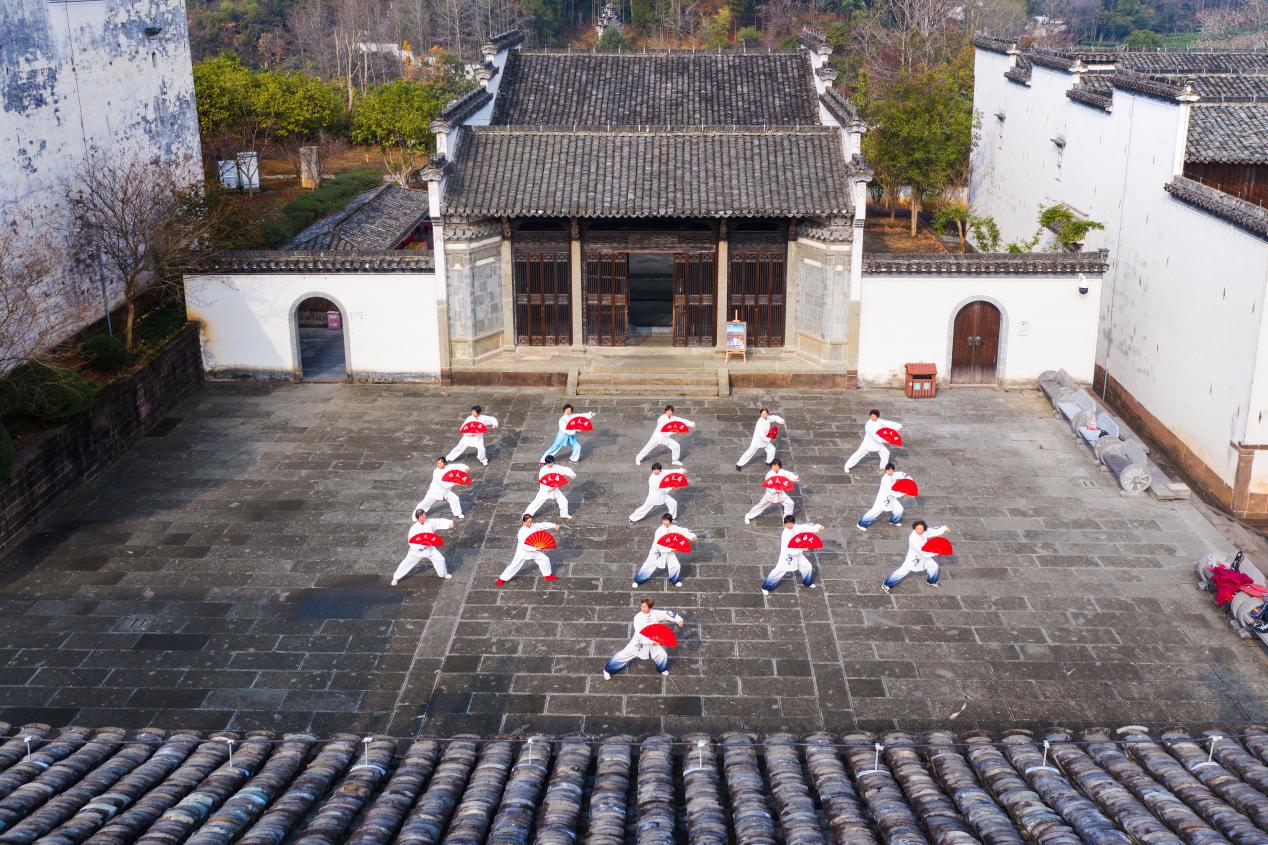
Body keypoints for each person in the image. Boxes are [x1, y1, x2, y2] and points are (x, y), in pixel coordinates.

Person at [603, 596, 684, 679]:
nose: (642, 608)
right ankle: (607, 670)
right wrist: (651, 642)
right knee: (623, 655)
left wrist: (678, 619)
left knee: (662, 655)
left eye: (645, 606)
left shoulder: (655, 613)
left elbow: (667, 614)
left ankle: (661, 668)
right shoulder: (638, 617)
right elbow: (639, 633)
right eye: (642, 606)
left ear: (650, 607)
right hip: (639, 642)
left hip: (653, 640)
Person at [882, 520, 950, 593]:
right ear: (914, 528)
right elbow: (921, 551)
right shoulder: (913, 538)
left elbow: (932, 531)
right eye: (918, 529)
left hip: (924, 557)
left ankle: (932, 581)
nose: (920, 530)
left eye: (921, 529)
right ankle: (886, 584)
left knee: (934, 566)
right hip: (914, 558)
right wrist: (934, 553)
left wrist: (944, 528)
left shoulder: (924, 532)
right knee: (902, 572)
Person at [391, 508, 454, 585]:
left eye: (424, 517)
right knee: (406, 564)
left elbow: (439, 521)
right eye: (422, 518)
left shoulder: (430, 522)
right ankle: (396, 578)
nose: (424, 519)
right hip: (416, 551)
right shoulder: (413, 529)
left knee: (440, 559)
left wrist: (449, 523)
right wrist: (422, 546)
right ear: (417, 519)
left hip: (430, 549)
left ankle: (443, 574)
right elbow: (411, 542)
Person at [633, 513, 697, 588]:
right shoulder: (659, 530)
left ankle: (674, 580)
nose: (665, 522)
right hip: (658, 551)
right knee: (649, 564)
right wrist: (670, 549)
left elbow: (683, 530)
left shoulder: (674, 528)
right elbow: (658, 544)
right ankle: (637, 580)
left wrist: (692, 536)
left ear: (670, 521)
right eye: (664, 520)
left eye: (666, 520)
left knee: (675, 565)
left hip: (669, 551)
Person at [762, 515, 821, 595]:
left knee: (807, 566)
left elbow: (805, 527)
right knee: (779, 571)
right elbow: (789, 550)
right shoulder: (785, 534)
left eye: (791, 523)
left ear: (793, 523)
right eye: (787, 524)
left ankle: (807, 583)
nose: (789, 525)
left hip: (798, 554)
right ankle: (766, 587)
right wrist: (802, 549)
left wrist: (818, 527)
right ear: (785, 523)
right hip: (788, 556)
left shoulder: (796, 527)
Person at [497, 514, 559, 586]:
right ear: (523, 522)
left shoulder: (534, 526)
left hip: (534, 550)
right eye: (528, 522)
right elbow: (523, 546)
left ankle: (547, 575)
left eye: (531, 521)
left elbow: (543, 525)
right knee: (514, 565)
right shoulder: (521, 532)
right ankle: (502, 578)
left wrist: (554, 525)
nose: (530, 523)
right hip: (523, 552)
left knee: (545, 559)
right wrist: (535, 548)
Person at [744, 459, 798, 524]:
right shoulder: (769, 474)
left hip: (781, 494)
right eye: (773, 466)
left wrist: (795, 479)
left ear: (779, 466)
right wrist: (775, 490)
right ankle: (748, 516)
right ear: (771, 466)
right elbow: (768, 486)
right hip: (771, 495)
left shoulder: (782, 472)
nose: (775, 468)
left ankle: (786, 518)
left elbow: (790, 475)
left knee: (790, 503)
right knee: (761, 505)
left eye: (776, 466)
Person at [856, 463, 908, 531]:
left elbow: (902, 474)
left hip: (891, 498)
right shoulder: (885, 479)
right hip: (883, 499)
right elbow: (892, 491)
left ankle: (894, 521)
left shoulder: (894, 474)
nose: (890, 472)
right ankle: (861, 524)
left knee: (899, 509)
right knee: (874, 512)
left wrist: (908, 479)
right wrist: (904, 492)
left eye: (891, 470)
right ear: (886, 470)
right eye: (888, 470)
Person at [525, 455, 575, 520]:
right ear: (546, 463)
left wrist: (571, 474)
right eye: (548, 463)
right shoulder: (543, 470)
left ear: (553, 462)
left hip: (555, 490)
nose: (550, 464)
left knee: (564, 501)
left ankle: (564, 515)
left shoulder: (556, 467)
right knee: (537, 502)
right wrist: (550, 487)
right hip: (545, 491)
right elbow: (543, 481)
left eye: (551, 463)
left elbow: (564, 469)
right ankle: (527, 515)